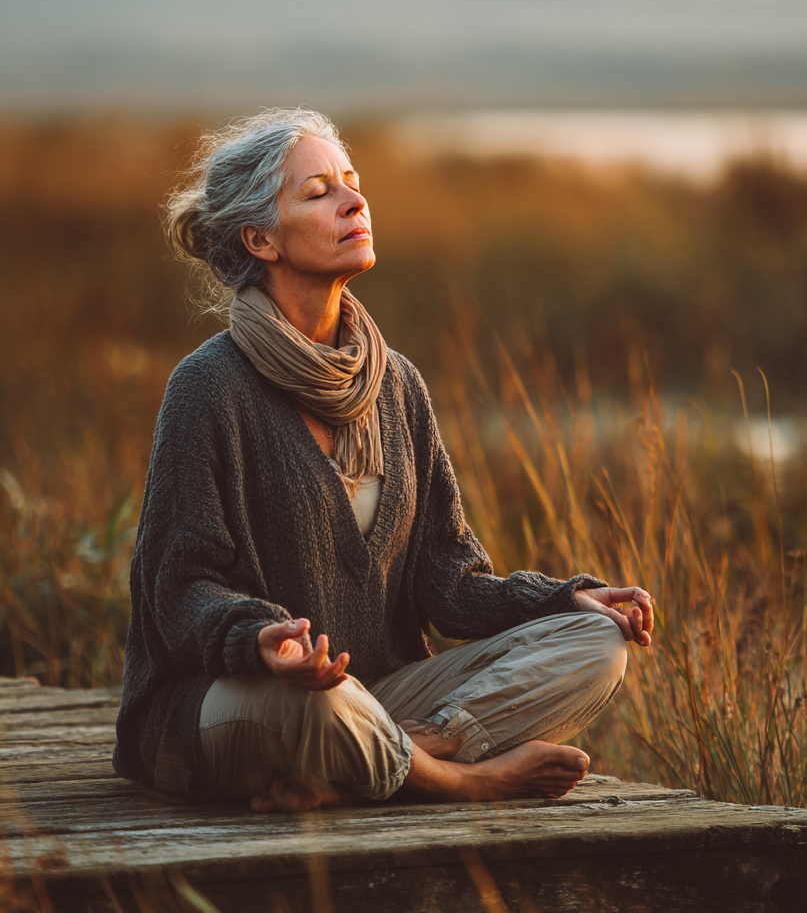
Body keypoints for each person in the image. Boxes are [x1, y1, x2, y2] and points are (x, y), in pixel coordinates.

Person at [113, 108, 655, 813]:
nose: (354, 201)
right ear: (259, 238)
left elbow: (448, 578)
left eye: (353, 183)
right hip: (243, 699)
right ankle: (463, 779)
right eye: (318, 192)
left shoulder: (395, 383)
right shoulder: (208, 387)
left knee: (597, 645)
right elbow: (179, 590)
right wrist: (263, 640)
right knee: (319, 706)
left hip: (373, 693)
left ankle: (376, 761)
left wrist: (560, 599)